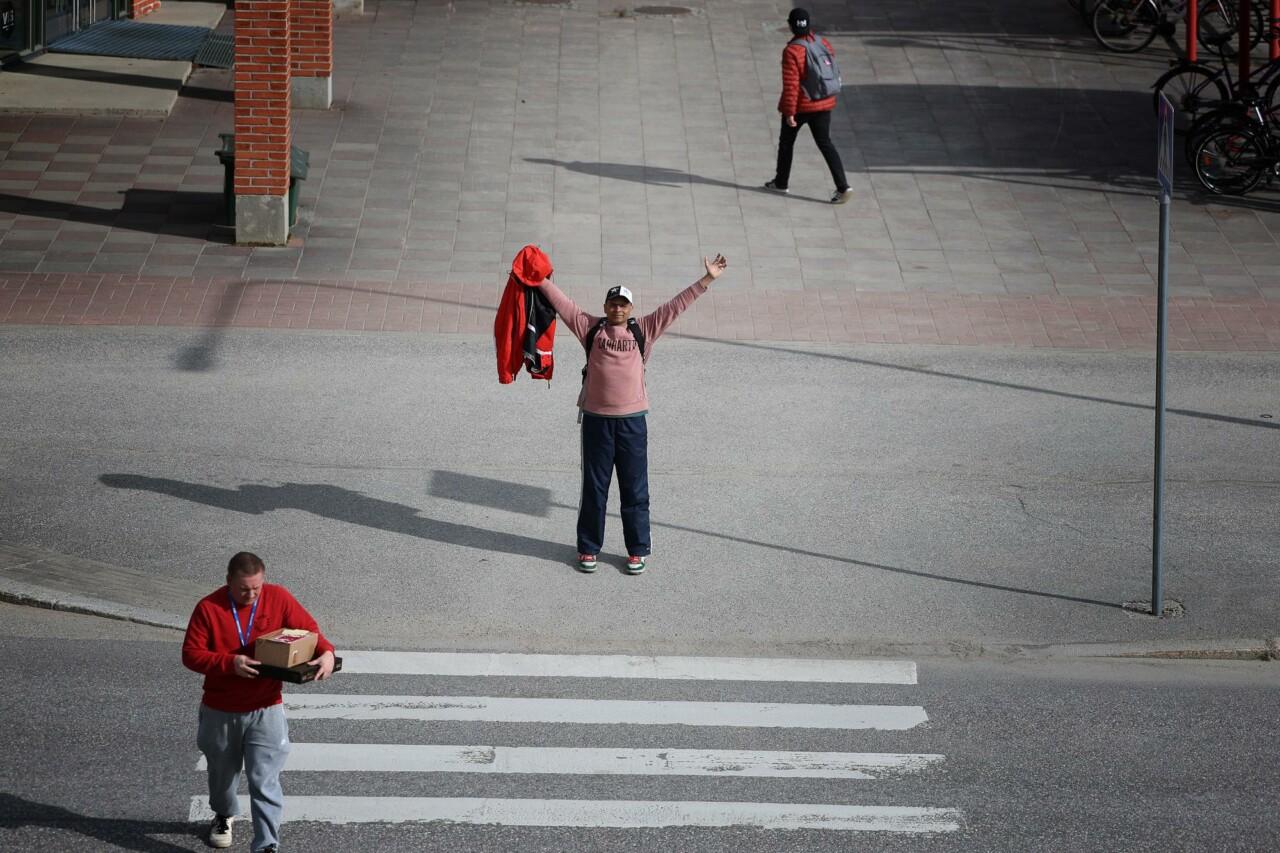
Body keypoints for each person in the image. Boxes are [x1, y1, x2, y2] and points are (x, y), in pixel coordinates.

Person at [537, 255, 728, 574]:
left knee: (635, 488)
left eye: (623, 304)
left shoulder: (645, 330)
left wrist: (706, 279)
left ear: (631, 309)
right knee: (595, 489)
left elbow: (675, 306)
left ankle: (636, 550)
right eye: (613, 303)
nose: (617, 308)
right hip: (597, 421)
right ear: (606, 305)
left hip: (632, 423)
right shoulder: (590, 327)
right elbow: (561, 301)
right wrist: (536, 279)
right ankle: (588, 548)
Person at [182, 552, 335, 853]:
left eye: (257, 588)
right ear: (228, 582)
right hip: (220, 709)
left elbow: (310, 632)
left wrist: (327, 652)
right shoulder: (208, 608)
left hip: (267, 707)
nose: (251, 595)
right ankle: (224, 814)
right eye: (243, 590)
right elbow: (190, 654)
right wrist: (229, 663)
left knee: (265, 779)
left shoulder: (279, 597)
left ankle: (266, 845)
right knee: (222, 775)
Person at [764, 8, 852, 204]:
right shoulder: (823, 43)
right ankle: (843, 187)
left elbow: (791, 84)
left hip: (803, 105)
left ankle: (781, 182)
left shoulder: (792, 51)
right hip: (824, 102)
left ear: (790, 25)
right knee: (826, 144)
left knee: (786, 144)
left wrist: (789, 112)